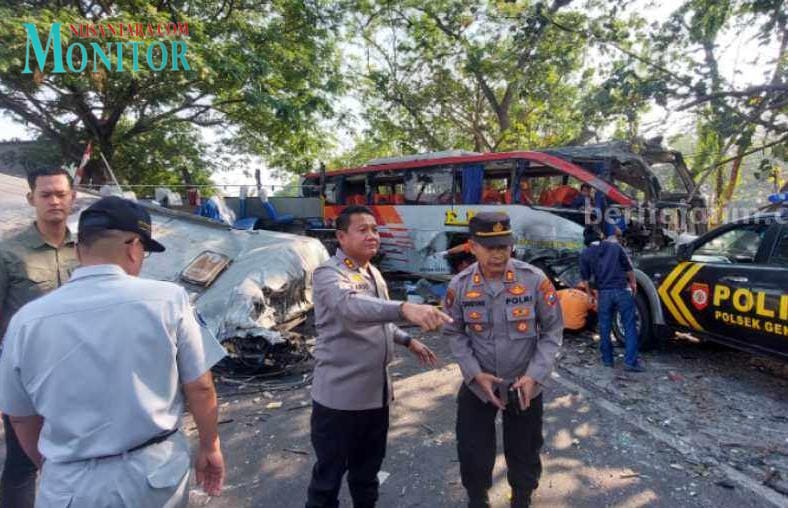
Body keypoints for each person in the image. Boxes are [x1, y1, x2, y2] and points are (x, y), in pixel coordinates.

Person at [0, 196, 227, 506]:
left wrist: (55, 466)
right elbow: (200, 387)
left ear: (79, 250)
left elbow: (21, 418)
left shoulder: (26, 320)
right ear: (133, 247)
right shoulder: (168, 300)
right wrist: (210, 446)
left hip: (68, 486)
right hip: (153, 477)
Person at [306, 205, 452, 508]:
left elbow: (378, 321)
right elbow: (351, 307)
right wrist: (404, 308)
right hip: (340, 401)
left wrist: (407, 340)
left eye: (375, 229)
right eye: (363, 229)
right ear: (341, 237)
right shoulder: (328, 275)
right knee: (328, 479)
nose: (372, 235)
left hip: (376, 398)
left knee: (367, 473)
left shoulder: (372, 271)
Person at [443, 211, 563, 508]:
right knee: (473, 451)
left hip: (524, 384)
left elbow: (552, 331)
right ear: (473, 247)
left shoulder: (534, 280)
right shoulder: (459, 286)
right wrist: (473, 373)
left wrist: (535, 375)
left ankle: (521, 498)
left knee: (525, 450)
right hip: (478, 386)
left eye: (504, 246)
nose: (499, 254)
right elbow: (454, 332)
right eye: (490, 247)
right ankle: (477, 499)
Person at [0, 167, 78, 507]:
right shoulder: (8, 254)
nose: (54, 201)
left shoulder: (89, 249)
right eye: (46, 194)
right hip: (27, 376)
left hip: (81, 374)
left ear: (72, 198)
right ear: (31, 199)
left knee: (82, 456)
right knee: (23, 462)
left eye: (61, 194)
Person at [579, 225, 643, 371]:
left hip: (604, 294)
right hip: (622, 290)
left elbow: (586, 279)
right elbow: (629, 268)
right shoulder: (615, 247)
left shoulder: (585, 254)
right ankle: (630, 362)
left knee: (604, 326)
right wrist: (633, 284)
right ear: (599, 236)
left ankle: (608, 360)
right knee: (629, 325)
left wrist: (590, 295)